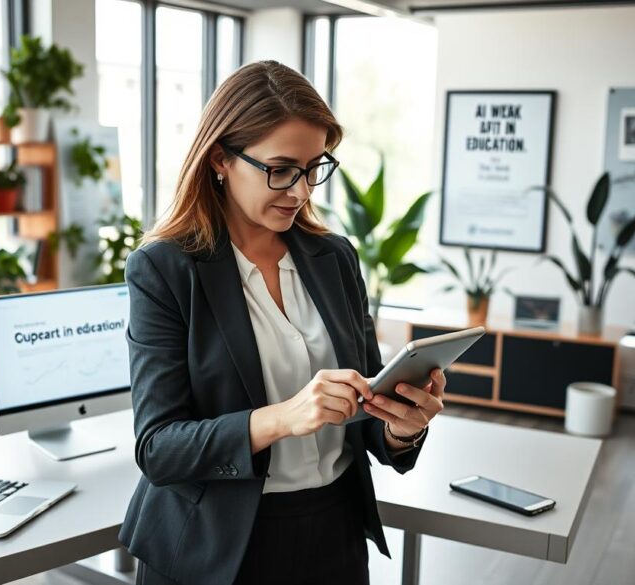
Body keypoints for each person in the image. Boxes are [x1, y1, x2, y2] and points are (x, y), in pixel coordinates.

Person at [118, 60, 445, 585]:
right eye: (280, 169)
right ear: (220, 159)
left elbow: (366, 407)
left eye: (314, 167)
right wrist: (283, 417)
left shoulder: (334, 258)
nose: (300, 191)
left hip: (333, 531)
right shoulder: (165, 269)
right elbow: (158, 448)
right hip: (217, 548)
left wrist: (401, 428)